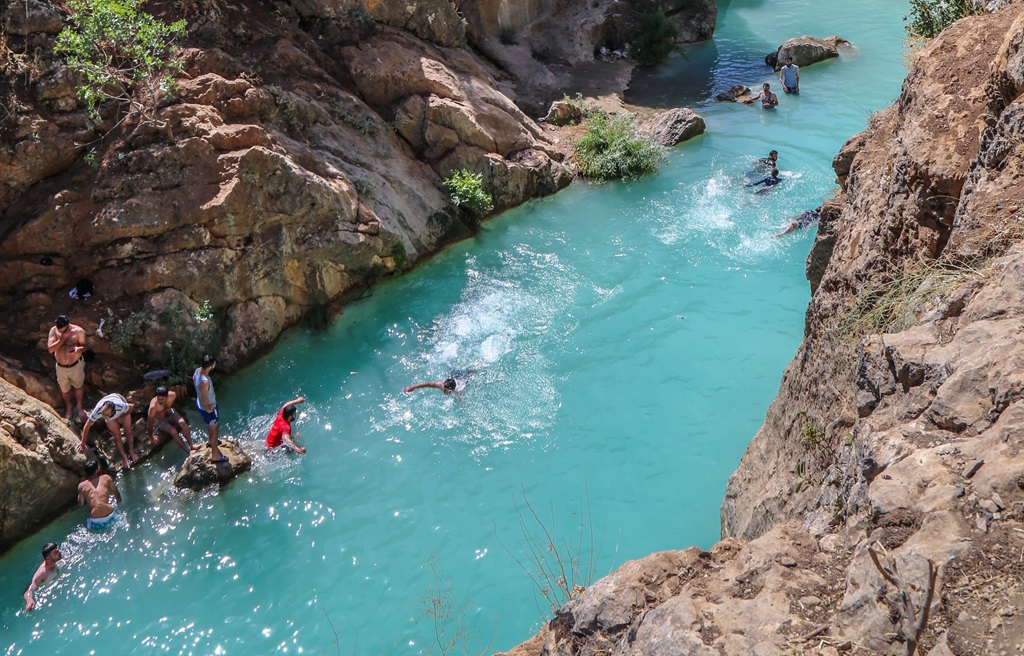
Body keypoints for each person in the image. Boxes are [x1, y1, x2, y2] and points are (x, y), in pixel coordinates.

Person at [78, 392, 137, 469]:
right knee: (117, 435)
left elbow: (131, 407)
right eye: (102, 414)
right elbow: (87, 426)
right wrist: (82, 442)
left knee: (128, 431)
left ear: (112, 411)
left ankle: (131, 451)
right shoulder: (98, 411)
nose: (103, 416)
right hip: (110, 417)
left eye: (105, 415)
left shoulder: (120, 406)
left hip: (121, 409)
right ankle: (124, 457)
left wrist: (123, 416)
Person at [47, 315, 87, 422]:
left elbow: (85, 346)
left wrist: (79, 349)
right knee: (65, 390)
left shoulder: (78, 331)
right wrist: (63, 338)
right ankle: (69, 406)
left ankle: (79, 406)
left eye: (61, 327)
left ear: (67, 325)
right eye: (58, 326)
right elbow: (51, 349)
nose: (59, 328)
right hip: (61, 367)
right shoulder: (54, 331)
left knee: (78, 386)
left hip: (75, 365)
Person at [193, 354, 225, 463]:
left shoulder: (197, 371)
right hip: (208, 407)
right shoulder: (204, 381)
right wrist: (208, 409)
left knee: (209, 424)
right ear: (211, 366)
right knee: (214, 427)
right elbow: (205, 398)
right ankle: (215, 455)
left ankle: (211, 441)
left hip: (200, 404)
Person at [146, 386, 196, 455]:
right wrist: (151, 437)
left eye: (162, 399)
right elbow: (150, 422)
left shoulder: (172, 395)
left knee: (183, 423)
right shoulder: (153, 407)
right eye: (158, 399)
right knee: (173, 431)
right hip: (161, 421)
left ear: (167, 396)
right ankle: (188, 451)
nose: (160, 401)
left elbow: (173, 404)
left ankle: (192, 446)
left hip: (171, 414)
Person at [78, 459, 122, 531]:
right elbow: (116, 494)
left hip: (95, 520)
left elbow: (80, 504)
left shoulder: (82, 486)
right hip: (110, 513)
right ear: (96, 470)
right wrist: (119, 504)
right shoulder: (106, 478)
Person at [23, 543, 62, 612]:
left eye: (58, 549)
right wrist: (29, 601)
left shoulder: (57, 559)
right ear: (48, 559)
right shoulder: (42, 573)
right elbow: (29, 589)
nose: (60, 552)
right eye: (56, 552)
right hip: (45, 594)